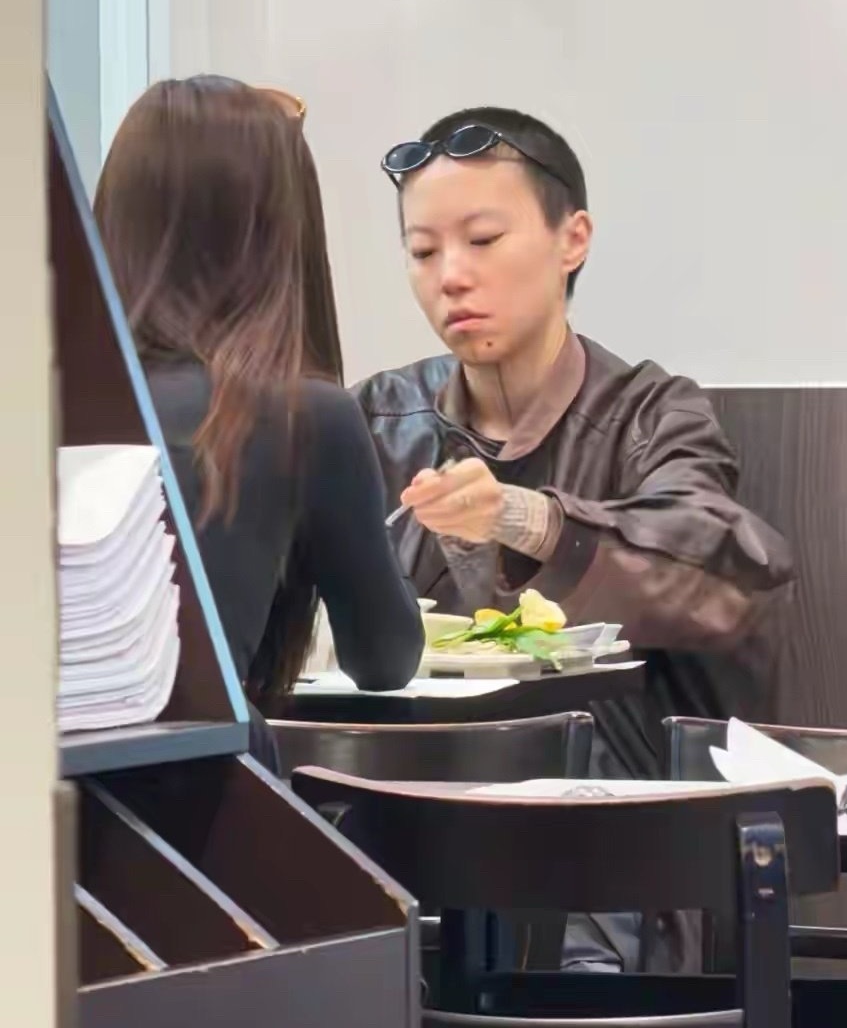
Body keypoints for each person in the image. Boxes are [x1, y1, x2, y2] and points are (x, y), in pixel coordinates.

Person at [355, 107, 794, 969]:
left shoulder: (651, 417)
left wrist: (526, 519)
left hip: (608, 856)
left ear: (573, 239)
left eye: (484, 239)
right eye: (423, 251)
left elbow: (723, 577)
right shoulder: (377, 418)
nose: (452, 276)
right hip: (408, 843)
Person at [94, 76, 424, 760]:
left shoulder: (54, 401)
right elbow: (385, 658)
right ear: (283, 230)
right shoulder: (304, 415)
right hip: (188, 801)